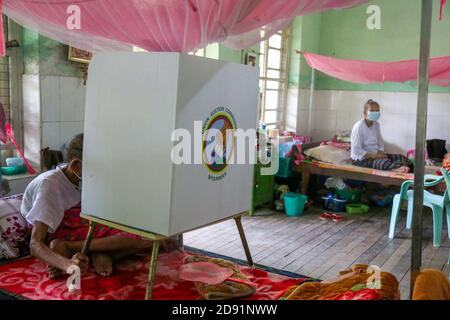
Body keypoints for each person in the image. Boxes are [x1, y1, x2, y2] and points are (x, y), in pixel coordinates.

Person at [21, 134, 176, 279]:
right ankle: (76, 248)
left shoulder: (79, 177)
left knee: (151, 235)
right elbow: (35, 244)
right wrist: (67, 265)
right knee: (144, 239)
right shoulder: (50, 185)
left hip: (80, 221)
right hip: (57, 230)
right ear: (75, 165)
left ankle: (86, 250)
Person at [351, 99, 410, 173]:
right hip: (361, 159)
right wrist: (374, 156)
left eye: (377, 111)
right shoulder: (359, 126)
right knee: (383, 163)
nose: (375, 113)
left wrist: (380, 152)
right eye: (372, 110)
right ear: (364, 113)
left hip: (376, 155)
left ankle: (400, 167)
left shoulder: (376, 124)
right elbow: (356, 150)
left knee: (401, 157)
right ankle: (397, 168)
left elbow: (380, 142)